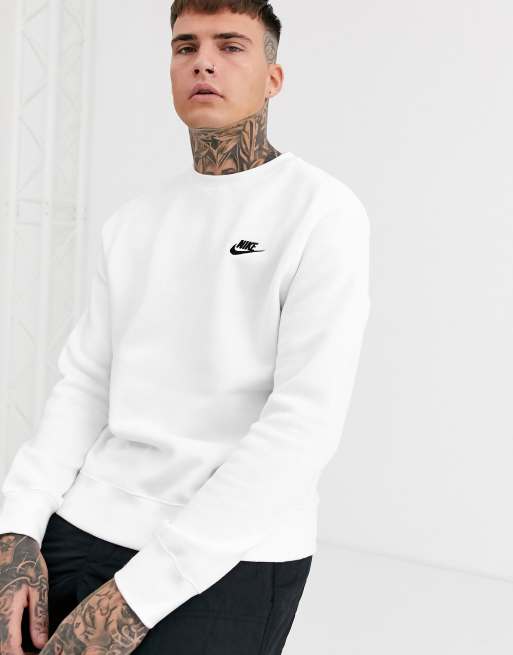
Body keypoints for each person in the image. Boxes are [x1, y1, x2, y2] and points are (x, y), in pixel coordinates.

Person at [0, 1, 371, 654]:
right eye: (185, 46)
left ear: (273, 78)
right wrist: (18, 529)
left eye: (230, 45)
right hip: (82, 525)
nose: (203, 61)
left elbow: (302, 425)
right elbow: (85, 385)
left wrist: (135, 597)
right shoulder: (133, 222)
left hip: (227, 555)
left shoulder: (322, 212)